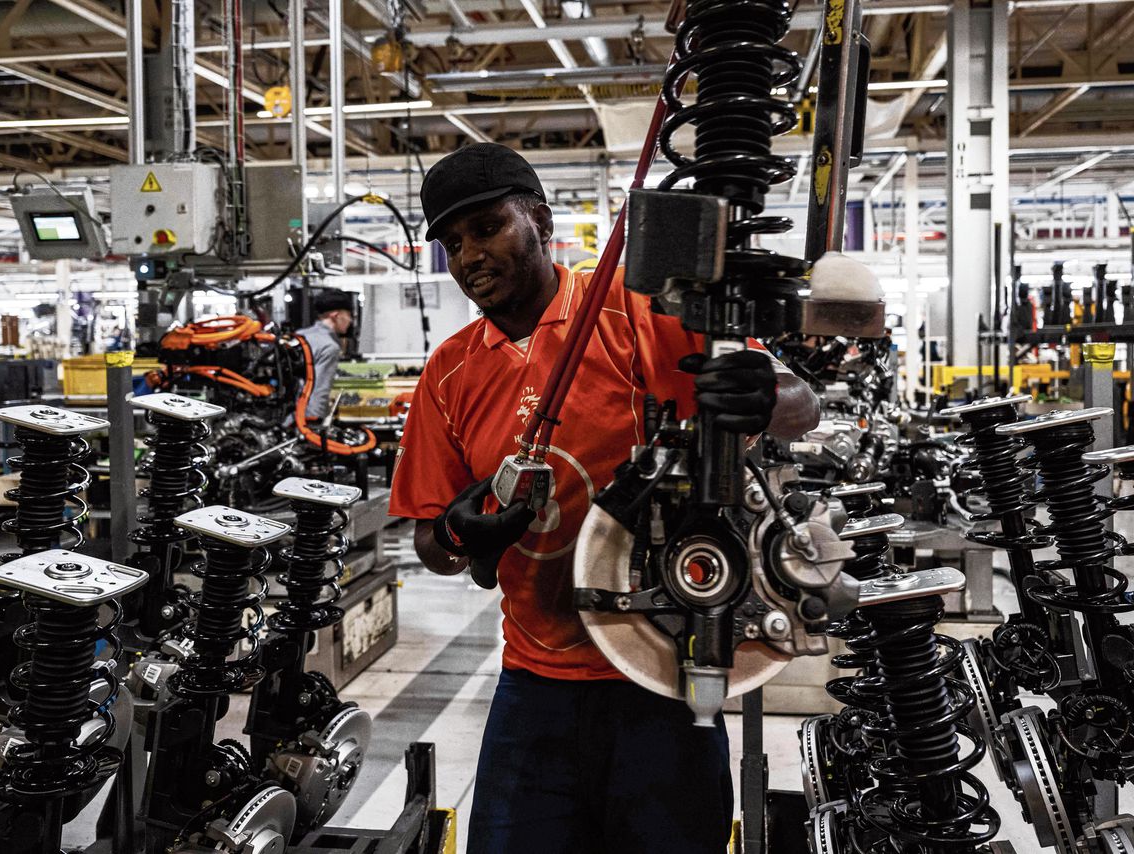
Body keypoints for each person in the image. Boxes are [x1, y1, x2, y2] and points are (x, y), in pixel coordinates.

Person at [388, 143, 820, 854]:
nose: (469, 256)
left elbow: (801, 406)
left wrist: (765, 393)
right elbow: (430, 543)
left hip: (661, 674)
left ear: (539, 218)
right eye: (452, 242)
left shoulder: (635, 306)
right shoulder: (449, 372)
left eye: (487, 227)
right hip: (534, 684)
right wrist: (463, 536)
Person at [295, 289, 354, 422]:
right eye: (348, 315)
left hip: (284, 416)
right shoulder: (329, 346)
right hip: (304, 418)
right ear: (336, 315)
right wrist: (314, 426)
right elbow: (319, 390)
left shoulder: (301, 335)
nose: (350, 320)